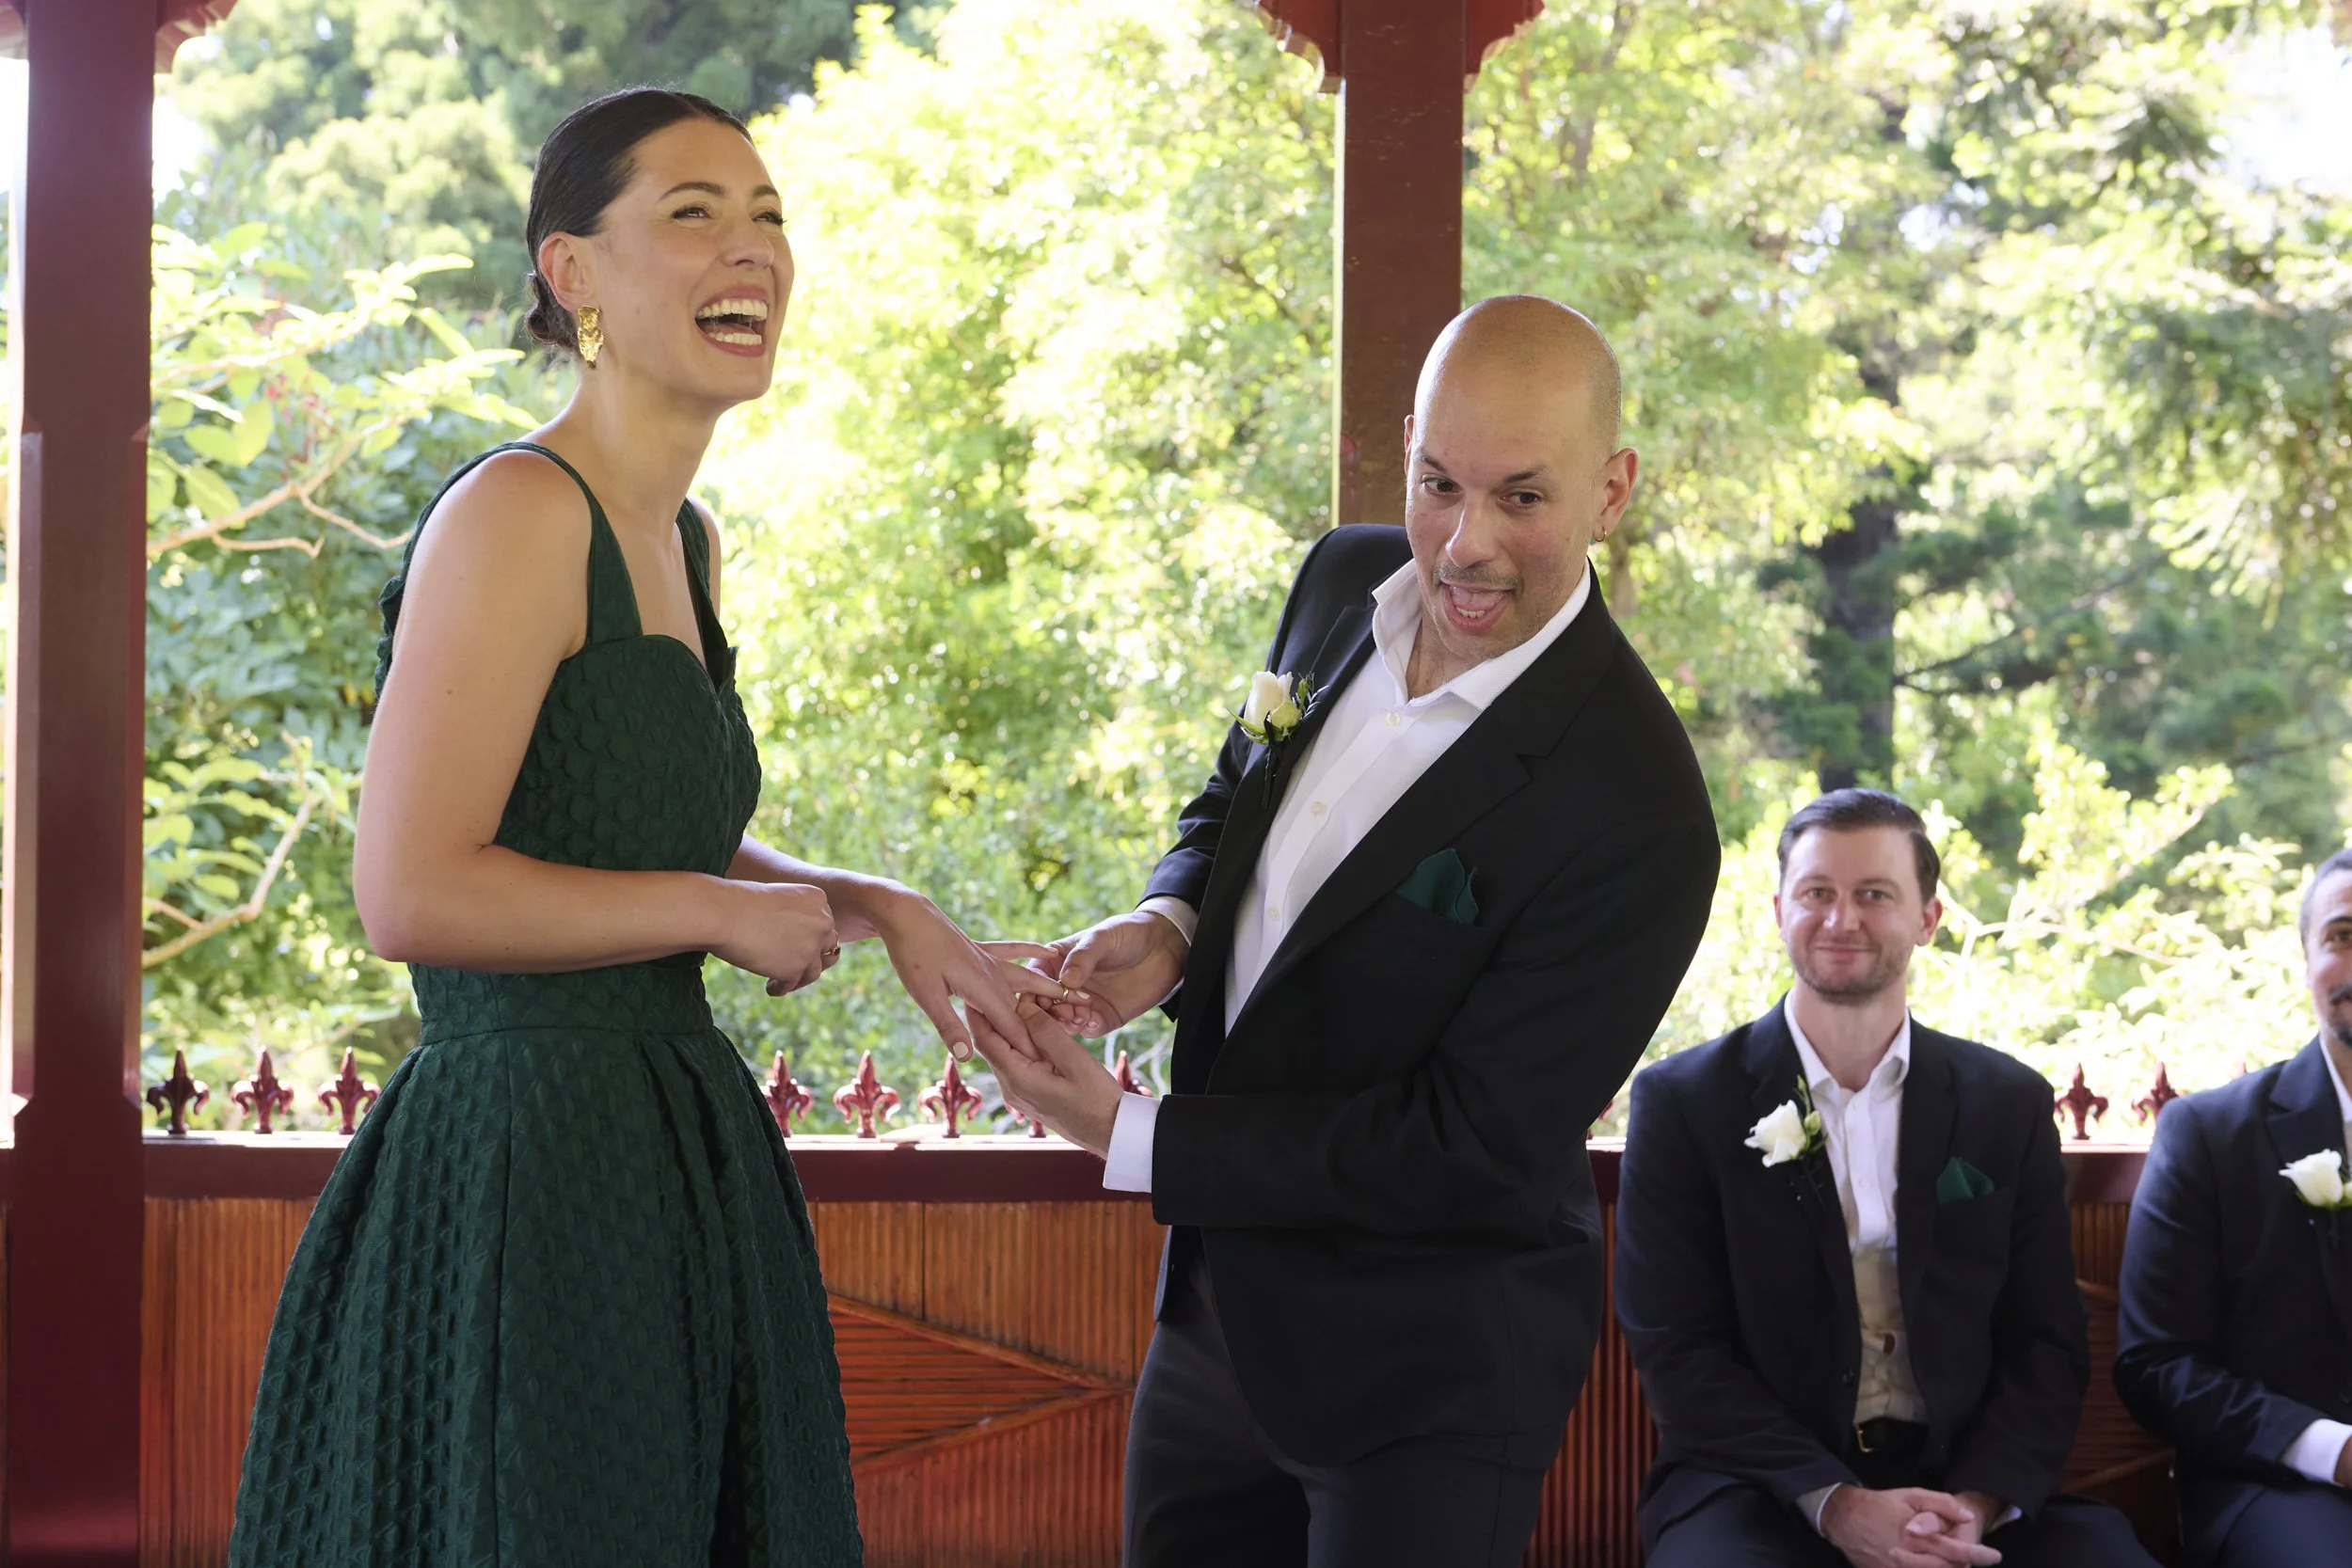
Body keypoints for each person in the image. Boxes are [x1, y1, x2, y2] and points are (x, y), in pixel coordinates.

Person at [228, 87, 1059, 1566]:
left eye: (769, 217)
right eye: (693, 214)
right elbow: (410, 888)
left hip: (670, 1159)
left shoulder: (683, 539)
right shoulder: (515, 511)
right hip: (524, 1170)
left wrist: (876, 903)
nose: (753, 248)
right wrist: (715, 914)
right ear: (574, 274)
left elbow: (631, 830)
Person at [971, 296, 1720, 1568]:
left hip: (1428, 1382)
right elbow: (1234, 797)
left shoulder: (1642, 805)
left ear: (1611, 490)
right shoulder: (1337, 578)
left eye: (1521, 498)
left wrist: (1127, 1131)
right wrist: (1172, 921)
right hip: (1214, 1321)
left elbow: (1466, 1148)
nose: (1464, 546)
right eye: (1438, 484)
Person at [1614, 789, 2159, 1568]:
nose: (1842, 919)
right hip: (1760, 1491)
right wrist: (1837, 1504)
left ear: (1928, 919)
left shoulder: (2005, 1103)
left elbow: (2046, 1340)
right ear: (1778, 911)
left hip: (1963, 1486)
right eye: (1817, 893)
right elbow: (1677, 1348)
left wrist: (1973, 1506)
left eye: (1874, 893)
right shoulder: (1685, 1102)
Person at [2113, 848, 2352, 1567]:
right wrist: (2335, 1450)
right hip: (2285, 1486)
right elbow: (2157, 1364)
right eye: (2343, 935)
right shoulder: (2212, 1134)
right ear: (2305, 956)